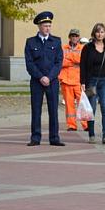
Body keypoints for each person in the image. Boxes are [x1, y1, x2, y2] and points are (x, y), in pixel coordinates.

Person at [24, 11, 64, 146]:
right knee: (36, 110)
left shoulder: (56, 41)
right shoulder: (31, 42)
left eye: (49, 25)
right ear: (39, 26)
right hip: (37, 81)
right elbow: (29, 63)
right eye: (45, 26)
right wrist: (41, 77)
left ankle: (54, 138)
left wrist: (49, 77)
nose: (47, 28)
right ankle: (35, 138)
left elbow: (59, 62)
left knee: (53, 110)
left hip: (52, 81)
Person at [80, 23, 105, 145]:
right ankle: (91, 135)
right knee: (92, 109)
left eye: (102, 32)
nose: (100, 34)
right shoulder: (88, 48)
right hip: (92, 81)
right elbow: (83, 66)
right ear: (94, 33)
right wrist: (83, 82)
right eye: (97, 32)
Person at [59, 29, 87, 132]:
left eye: (76, 36)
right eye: (72, 36)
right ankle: (71, 125)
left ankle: (86, 125)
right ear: (69, 37)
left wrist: (69, 58)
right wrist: (74, 61)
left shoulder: (83, 48)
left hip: (78, 80)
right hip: (66, 80)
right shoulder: (63, 48)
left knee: (82, 104)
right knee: (69, 105)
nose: (74, 37)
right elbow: (60, 62)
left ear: (79, 37)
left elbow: (83, 61)